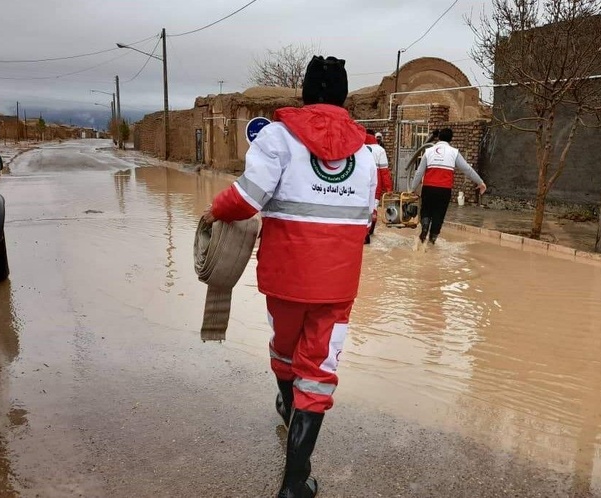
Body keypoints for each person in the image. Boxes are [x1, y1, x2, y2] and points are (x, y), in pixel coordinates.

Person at [203, 56, 376, 498]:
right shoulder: (367, 151)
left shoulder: (278, 137)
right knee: (318, 372)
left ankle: (286, 401)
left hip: (284, 277)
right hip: (338, 284)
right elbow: (369, 220)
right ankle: (295, 482)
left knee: (284, 348)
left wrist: (214, 210)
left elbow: (246, 199)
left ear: (303, 93)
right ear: (342, 97)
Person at [410, 128, 487, 244]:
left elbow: (419, 172)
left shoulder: (429, 151)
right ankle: (432, 240)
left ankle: (425, 227)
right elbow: (467, 169)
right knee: (439, 214)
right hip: (444, 190)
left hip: (428, 188)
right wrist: (480, 182)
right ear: (451, 139)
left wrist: (412, 189)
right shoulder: (454, 152)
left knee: (426, 210)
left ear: (439, 137)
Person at [364, 129, 393, 243]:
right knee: (373, 208)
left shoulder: (358, 147)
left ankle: (363, 233)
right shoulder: (380, 150)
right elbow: (384, 172)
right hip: (375, 185)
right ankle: (369, 232)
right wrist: (389, 189)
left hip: (360, 185)